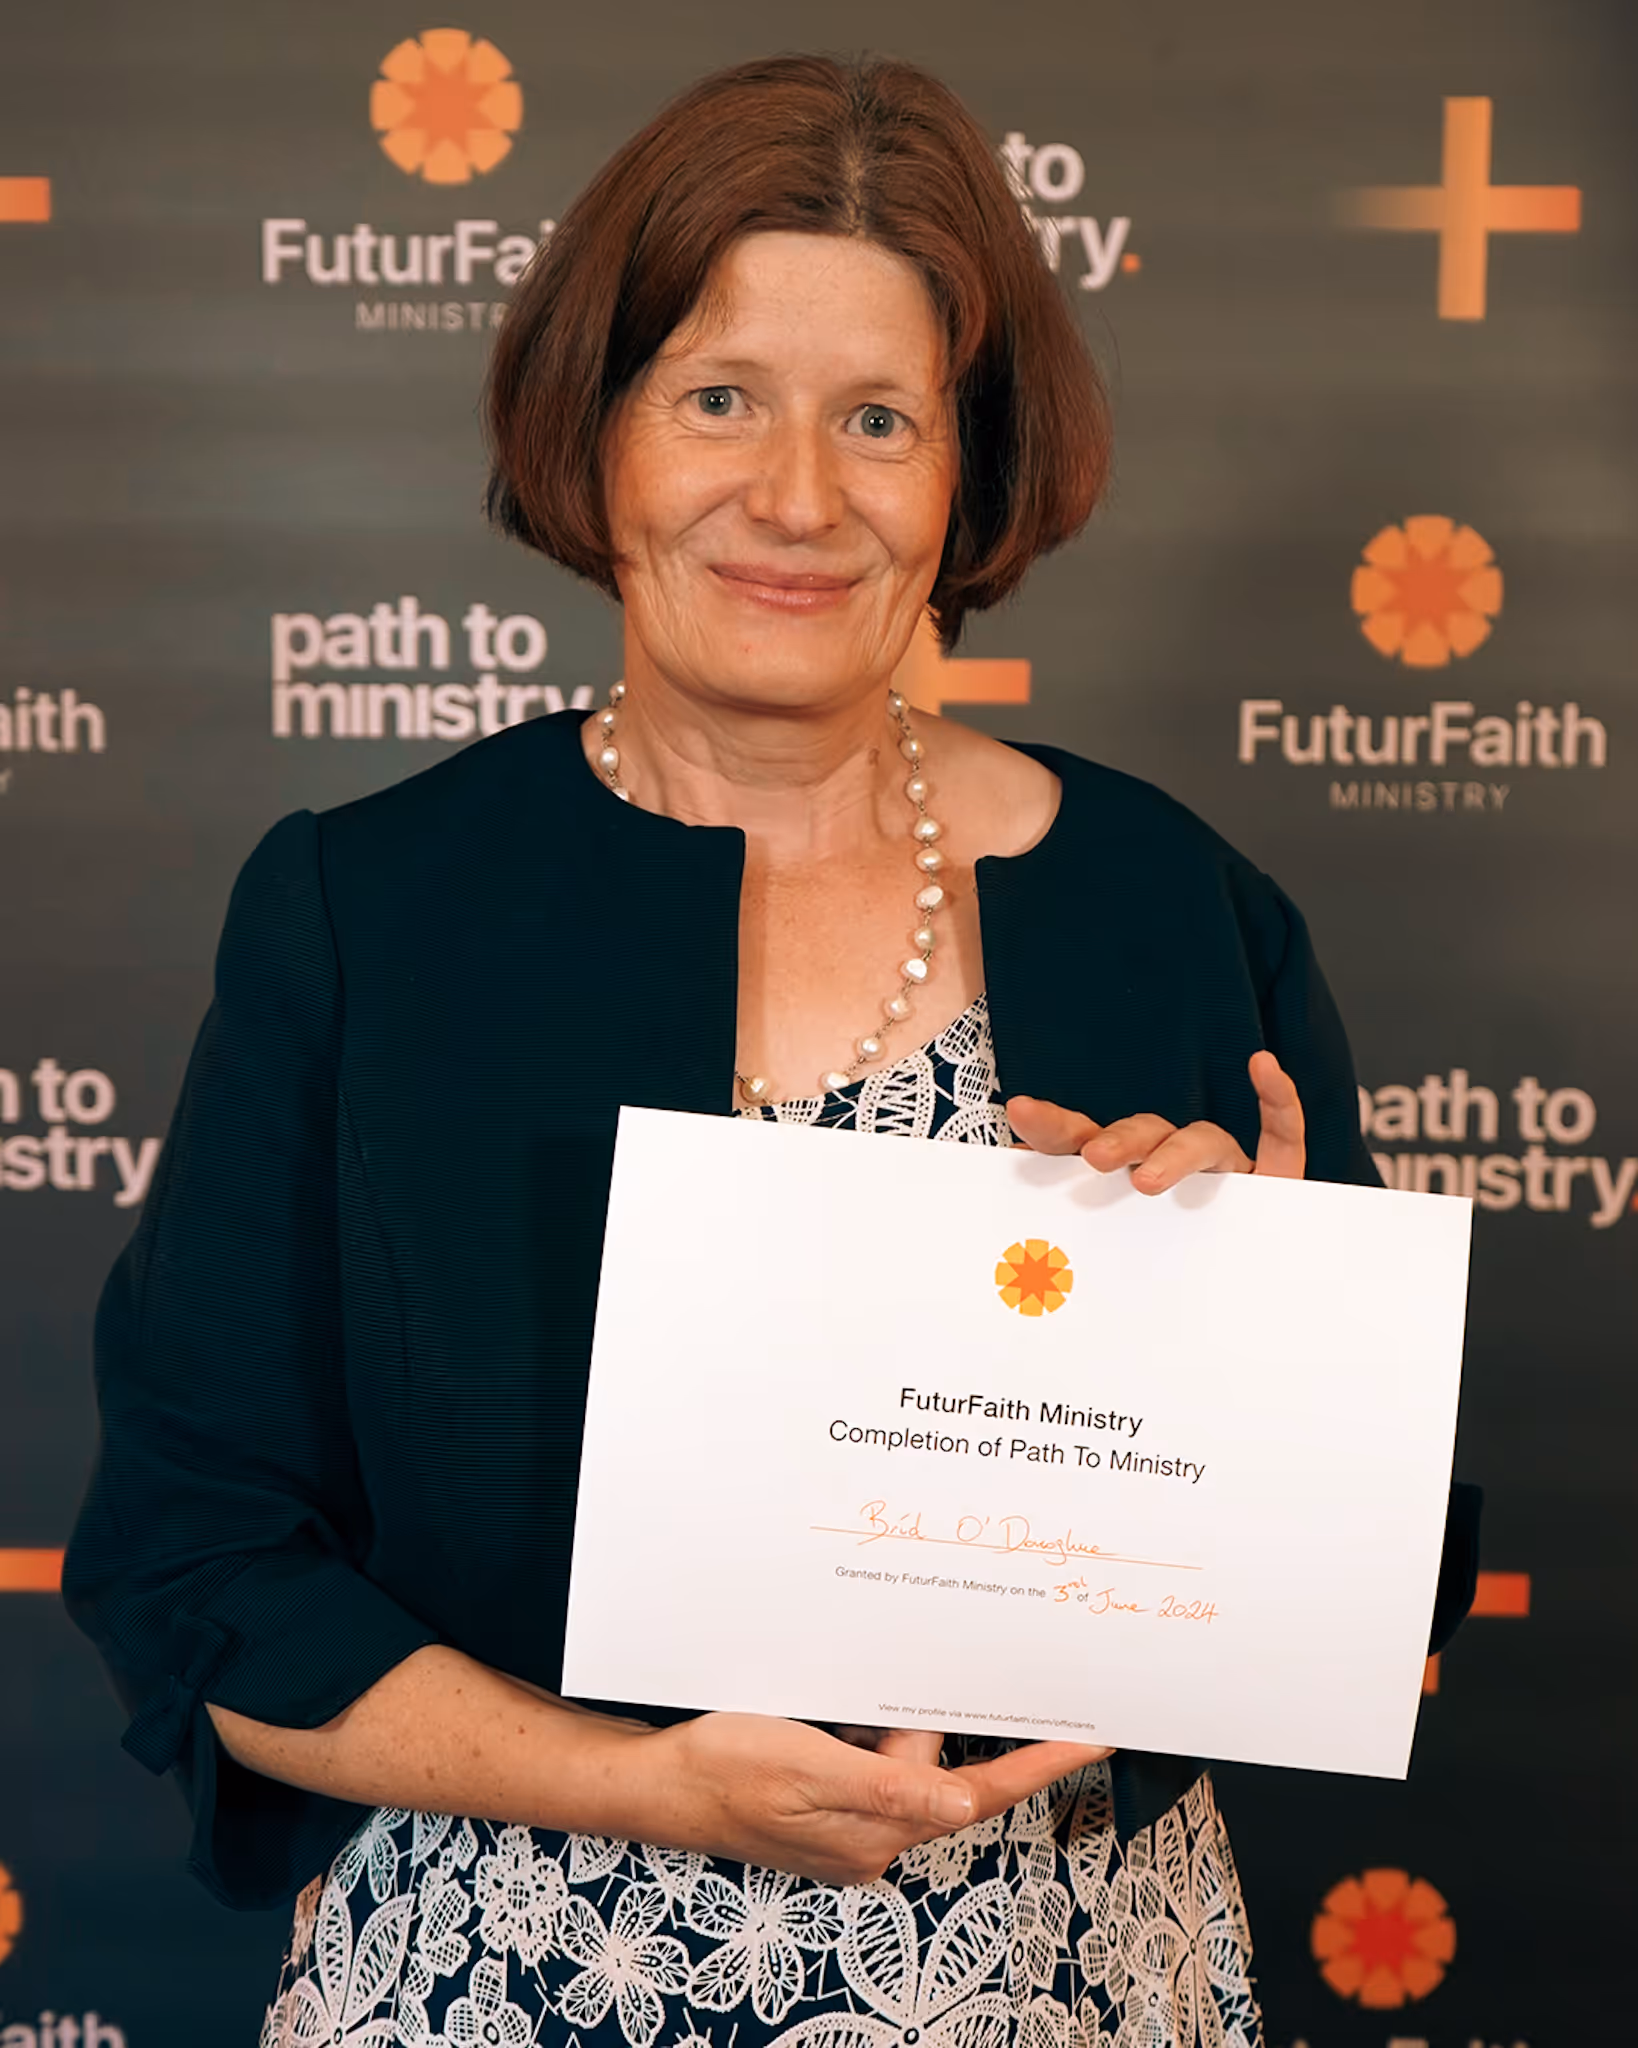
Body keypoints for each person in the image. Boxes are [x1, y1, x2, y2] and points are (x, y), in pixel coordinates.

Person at [63, 52, 1477, 2047]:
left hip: (1059, 1992)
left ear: (966, 473)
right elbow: (196, 1562)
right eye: (719, 397)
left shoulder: (1174, 908)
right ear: (597, 431)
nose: (799, 498)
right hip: (509, 1984)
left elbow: (1395, 1567)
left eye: (877, 419)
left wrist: (1281, 1365)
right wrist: (635, 1781)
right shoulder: (366, 911)